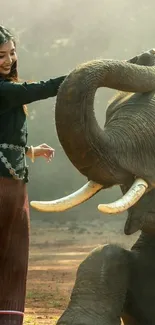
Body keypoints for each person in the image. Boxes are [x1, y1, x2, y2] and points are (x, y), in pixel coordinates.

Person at [0, 25, 66, 325]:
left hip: (15, 187)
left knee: (14, 256)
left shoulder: (8, 90)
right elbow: (37, 90)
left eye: (12, 53)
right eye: (0, 55)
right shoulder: (3, 91)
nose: (8, 60)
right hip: (2, 188)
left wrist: (30, 151)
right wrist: (82, 78)